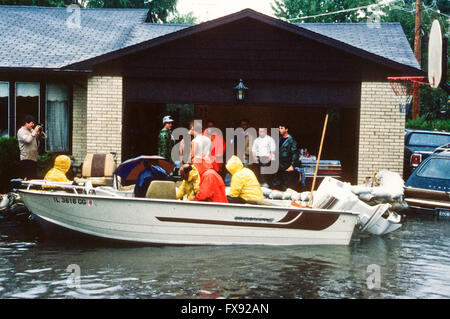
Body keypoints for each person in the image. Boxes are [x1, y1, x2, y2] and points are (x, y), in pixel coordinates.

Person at [17, 115, 47, 180]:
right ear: (26, 123)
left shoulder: (31, 130)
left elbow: (44, 137)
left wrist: (41, 132)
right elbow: (28, 140)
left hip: (33, 158)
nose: (33, 125)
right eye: (32, 123)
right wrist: (35, 131)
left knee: (33, 178)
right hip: (26, 158)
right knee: (27, 178)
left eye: (33, 123)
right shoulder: (21, 131)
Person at [276, 123, 299, 191]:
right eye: (279, 128)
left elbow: (295, 153)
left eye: (281, 128)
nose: (280, 130)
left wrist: (292, 165)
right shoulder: (280, 139)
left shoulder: (291, 140)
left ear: (286, 129)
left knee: (286, 185)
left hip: (287, 165)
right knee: (278, 183)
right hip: (279, 165)